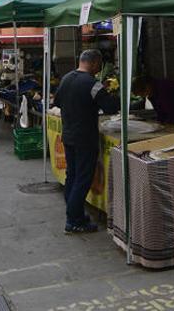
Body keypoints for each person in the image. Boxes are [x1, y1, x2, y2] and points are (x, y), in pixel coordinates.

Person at [53, 49, 120, 234]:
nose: (98, 69)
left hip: (69, 135)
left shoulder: (66, 78)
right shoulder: (93, 84)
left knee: (72, 176)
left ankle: (75, 214)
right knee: (83, 178)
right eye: (98, 65)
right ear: (94, 63)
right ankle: (73, 221)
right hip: (85, 137)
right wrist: (109, 93)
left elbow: (57, 102)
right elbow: (111, 106)